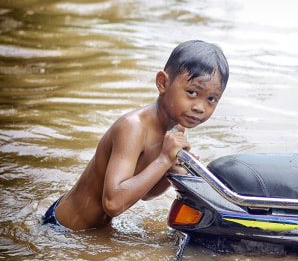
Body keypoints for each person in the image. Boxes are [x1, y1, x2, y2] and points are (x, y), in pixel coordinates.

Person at [42, 40, 229, 231]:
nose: (200, 107)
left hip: (96, 229)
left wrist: (170, 170)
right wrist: (164, 159)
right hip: (62, 228)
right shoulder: (133, 128)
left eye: (211, 99)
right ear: (163, 83)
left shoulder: (176, 128)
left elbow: (145, 194)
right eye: (191, 92)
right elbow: (113, 203)